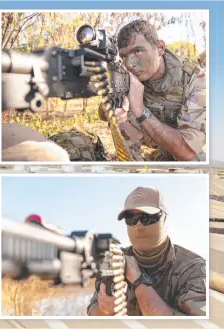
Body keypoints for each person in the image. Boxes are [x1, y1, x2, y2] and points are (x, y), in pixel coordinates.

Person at [49, 19, 206, 162]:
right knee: (124, 119)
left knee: (197, 162)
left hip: (188, 143)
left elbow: (188, 152)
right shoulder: (126, 73)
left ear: (160, 48)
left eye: (138, 51)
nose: (130, 63)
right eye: (124, 56)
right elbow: (103, 115)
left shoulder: (196, 79)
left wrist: (140, 110)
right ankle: (132, 169)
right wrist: (110, 108)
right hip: (157, 137)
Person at [87, 186, 206, 316]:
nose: (138, 225)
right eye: (130, 218)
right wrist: (105, 309)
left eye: (147, 217)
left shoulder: (192, 269)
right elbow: (93, 313)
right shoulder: (115, 260)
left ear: (165, 219)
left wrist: (138, 281)